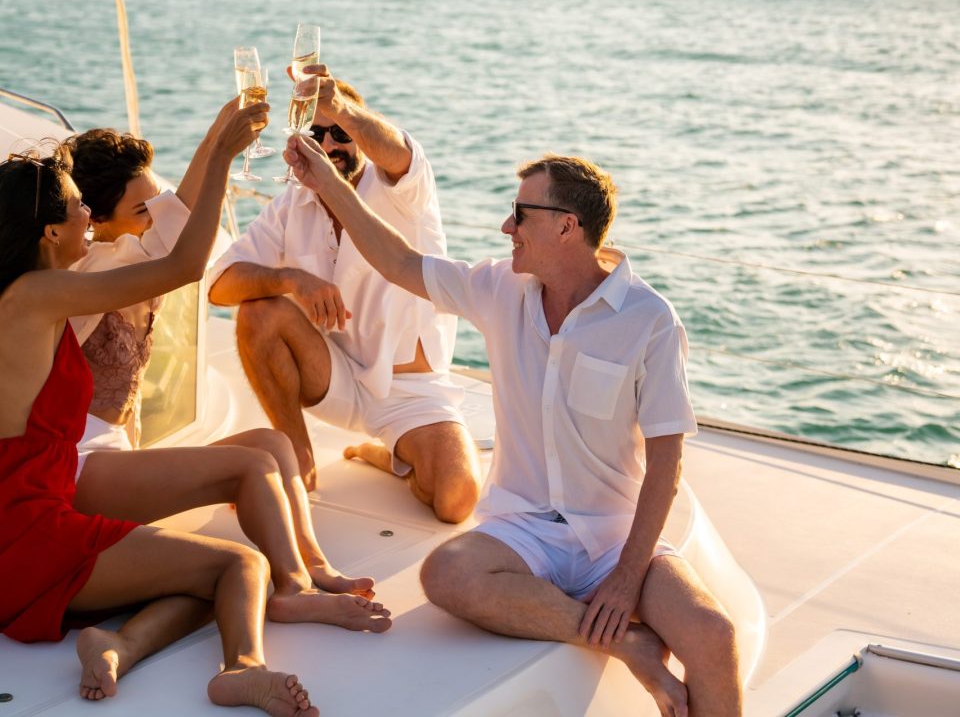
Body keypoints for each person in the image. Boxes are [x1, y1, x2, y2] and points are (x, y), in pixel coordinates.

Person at [281, 138, 744, 717]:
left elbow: (667, 465)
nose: (507, 226)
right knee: (446, 571)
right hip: (524, 531)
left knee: (713, 635)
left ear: (566, 227)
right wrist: (327, 181)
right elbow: (399, 262)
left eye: (522, 214)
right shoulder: (499, 288)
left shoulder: (648, 320)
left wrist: (627, 577)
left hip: (614, 537)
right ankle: (628, 643)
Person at [0, 109, 323, 715]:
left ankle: (117, 644)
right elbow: (182, 265)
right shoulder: (37, 297)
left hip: (24, 534)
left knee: (201, 574)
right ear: (48, 232)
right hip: (31, 537)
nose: (88, 220)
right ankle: (242, 669)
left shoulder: (26, 297)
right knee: (243, 565)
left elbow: (166, 234)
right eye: (77, 209)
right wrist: (223, 155)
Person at [65, 104, 387, 607]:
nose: (157, 220)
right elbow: (184, 248)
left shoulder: (135, 253)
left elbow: (178, 213)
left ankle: (315, 566)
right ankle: (292, 591)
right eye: (141, 213)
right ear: (96, 219)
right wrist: (220, 152)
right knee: (252, 464)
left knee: (274, 444)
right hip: (79, 467)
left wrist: (219, 133)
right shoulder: (92, 276)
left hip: (119, 461)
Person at [208, 66, 480, 523]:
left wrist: (341, 108)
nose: (330, 145)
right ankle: (299, 457)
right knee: (259, 311)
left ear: (358, 135)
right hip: (333, 376)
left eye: (340, 133)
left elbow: (395, 149)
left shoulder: (400, 188)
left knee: (456, 499)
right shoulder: (294, 203)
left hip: (410, 392)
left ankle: (389, 456)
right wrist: (292, 279)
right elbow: (219, 284)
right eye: (318, 134)